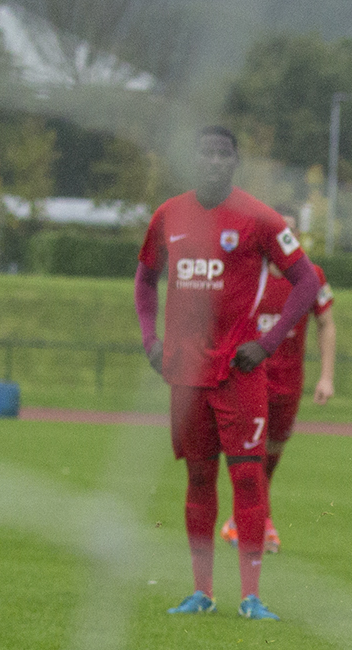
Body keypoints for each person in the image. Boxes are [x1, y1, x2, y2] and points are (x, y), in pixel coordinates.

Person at [137, 126, 321, 621]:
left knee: (247, 479)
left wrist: (268, 341)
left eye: (223, 154)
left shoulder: (259, 218)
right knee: (198, 477)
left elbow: (307, 281)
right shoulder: (168, 216)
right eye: (205, 152)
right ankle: (201, 592)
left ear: (235, 161)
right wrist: (150, 339)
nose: (214, 161)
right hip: (187, 374)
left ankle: (251, 596)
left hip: (240, 372)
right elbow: (144, 279)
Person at [221, 212, 336, 554]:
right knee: (252, 452)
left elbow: (326, 322)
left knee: (272, 451)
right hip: (250, 378)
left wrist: (327, 377)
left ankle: (238, 520)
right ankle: (261, 524)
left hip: (290, 381)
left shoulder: (311, 276)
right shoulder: (248, 274)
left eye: (289, 229)